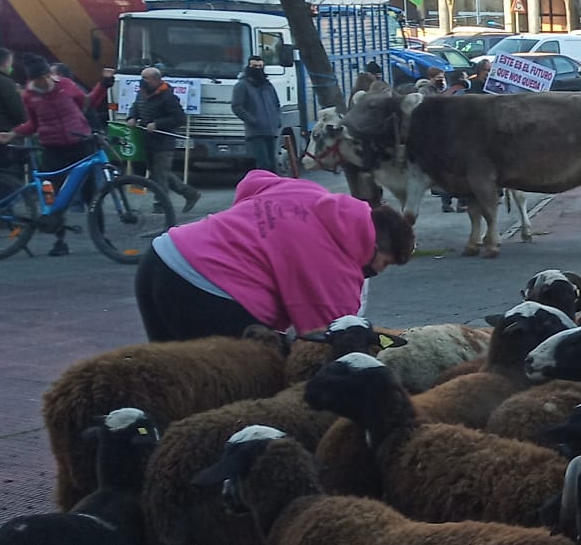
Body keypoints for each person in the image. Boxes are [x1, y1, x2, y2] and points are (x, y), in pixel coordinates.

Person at [135, 170, 415, 341]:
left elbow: (254, 182)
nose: (380, 270)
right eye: (386, 263)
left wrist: (261, 233)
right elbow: (331, 337)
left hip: (161, 256)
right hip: (207, 292)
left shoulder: (310, 191)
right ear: (376, 247)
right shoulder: (335, 267)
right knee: (229, 387)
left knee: (173, 381)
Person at [0, 65, 98, 255]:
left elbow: (86, 103)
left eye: (45, 77)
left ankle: (102, 237)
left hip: (80, 143)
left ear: (49, 75)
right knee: (54, 195)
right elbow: (33, 123)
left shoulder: (66, 85)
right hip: (52, 147)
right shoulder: (29, 95)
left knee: (92, 192)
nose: (43, 82)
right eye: (38, 79)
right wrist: (12, 135)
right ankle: (59, 241)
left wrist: (104, 86)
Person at [129, 66, 201, 211]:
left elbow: (179, 118)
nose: (142, 81)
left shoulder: (168, 96)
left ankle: (161, 205)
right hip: (146, 140)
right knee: (157, 173)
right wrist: (131, 117)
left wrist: (158, 124)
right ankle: (190, 193)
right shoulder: (142, 93)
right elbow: (136, 107)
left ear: (156, 80)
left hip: (163, 141)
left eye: (145, 78)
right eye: (141, 77)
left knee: (160, 175)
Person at [229, 55, 283, 173]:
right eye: (254, 66)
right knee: (263, 164)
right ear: (248, 67)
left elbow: (276, 104)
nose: (257, 69)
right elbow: (237, 107)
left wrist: (277, 121)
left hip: (271, 131)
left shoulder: (268, 85)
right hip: (256, 132)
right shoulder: (242, 85)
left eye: (260, 66)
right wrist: (253, 120)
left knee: (273, 164)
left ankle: (274, 188)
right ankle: (264, 188)